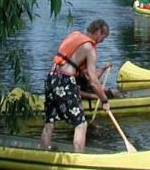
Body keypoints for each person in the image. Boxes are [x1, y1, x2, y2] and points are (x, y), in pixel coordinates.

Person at [40, 19, 112, 152]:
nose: (103, 41)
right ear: (98, 31)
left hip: (51, 77)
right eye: (103, 36)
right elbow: (93, 81)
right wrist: (104, 100)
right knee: (81, 124)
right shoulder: (89, 48)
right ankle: (79, 158)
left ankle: (44, 151)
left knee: (50, 120)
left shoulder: (74, 35)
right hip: (65, 81)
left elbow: (79, 69)